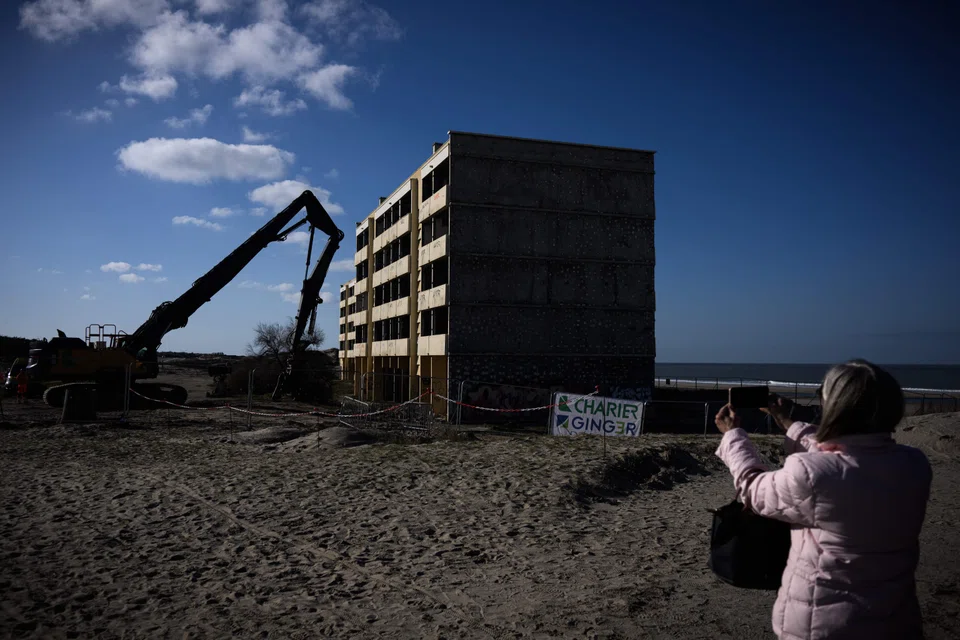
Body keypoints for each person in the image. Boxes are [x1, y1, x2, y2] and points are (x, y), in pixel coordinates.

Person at [713, 359, 932, 640]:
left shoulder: (813, 474)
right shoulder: (914, 465)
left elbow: (753, 490)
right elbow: (852, 452)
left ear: (835, 407)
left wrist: (733, 437)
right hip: (896, 621)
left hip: (824, 628)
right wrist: (787, 422)